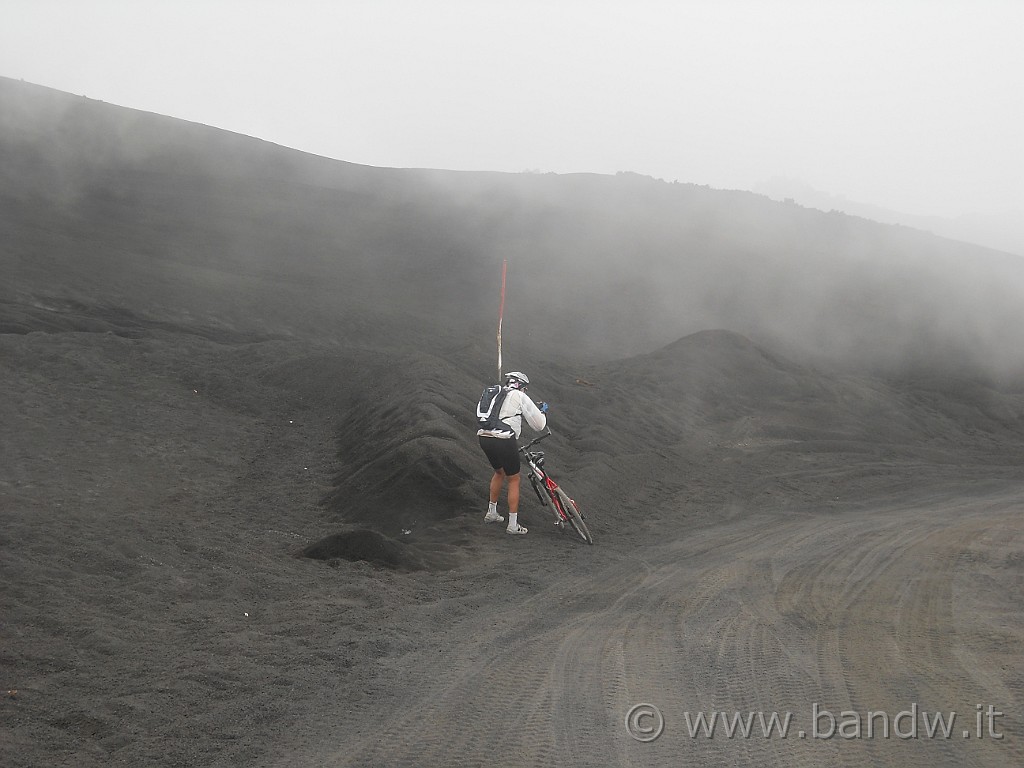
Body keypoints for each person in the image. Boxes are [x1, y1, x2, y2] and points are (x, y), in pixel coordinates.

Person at [477, 371, 548, 535]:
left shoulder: (495, 393)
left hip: (484, 436)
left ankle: (491, 512)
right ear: (522, 386)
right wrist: (542, 411)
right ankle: (513, 525)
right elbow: (539, 425)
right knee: (514, 479)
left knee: (498, 472)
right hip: (504, 438)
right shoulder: (519, 396)